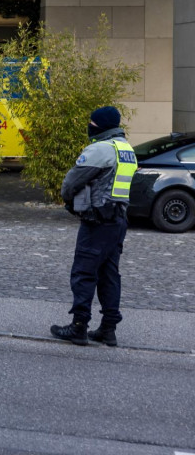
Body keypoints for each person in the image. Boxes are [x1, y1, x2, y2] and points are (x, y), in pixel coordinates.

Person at [51, 106, 136, 347]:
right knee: (109, 274)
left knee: (84, 272)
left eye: (92, 122)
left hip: (98, 222)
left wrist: (68, 199)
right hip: (118, 220)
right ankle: (108, 329)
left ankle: (79, 326)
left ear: (101, 125)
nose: (90, 125)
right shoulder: (126, 149)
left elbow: (71, 182)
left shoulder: (100, 149)